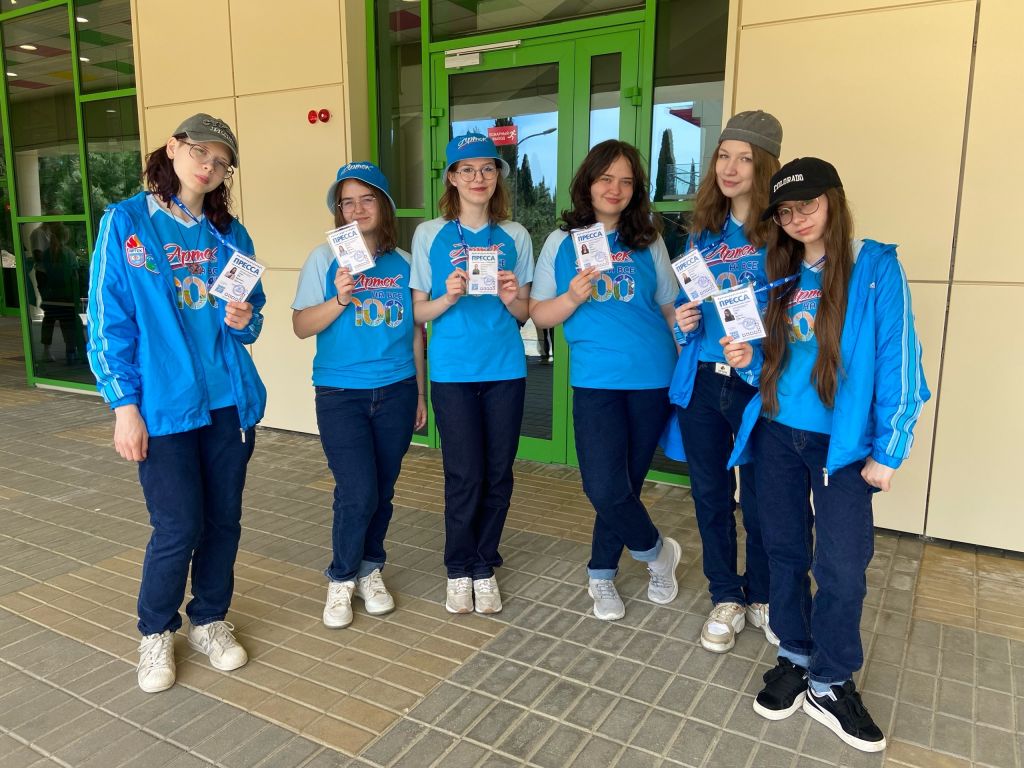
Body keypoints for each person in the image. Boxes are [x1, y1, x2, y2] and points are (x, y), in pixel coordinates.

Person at [725, 157, 929, 752]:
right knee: (784, 551)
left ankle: (831, 679)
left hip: (841, 447)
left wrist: (890, 449)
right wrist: (748, 361)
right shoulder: (778, 272)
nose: (798, 219)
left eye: (808, 205)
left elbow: (899, 359)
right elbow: (775, 360)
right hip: (776, 434)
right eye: (786, 212)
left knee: (841, 565)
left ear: (834, 201)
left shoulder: (873, 268)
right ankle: (795, 653)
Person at [86, 114, 266, 693]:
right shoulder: (128, 223)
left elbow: (250, 320)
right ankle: (156, 631)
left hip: (228, 403)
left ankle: (209, 619)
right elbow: (109, 324)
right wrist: (124, 406)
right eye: (200, 153)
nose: (208, 167)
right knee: (177, 526)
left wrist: (244, 318)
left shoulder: (229, 235)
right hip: (164, 408)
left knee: (223, 522)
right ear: (173, 148)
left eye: (221, 162)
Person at [530, 139, 681, 621]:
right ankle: (658, 553)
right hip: (596, 379)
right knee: (602, 486)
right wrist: (573, 297)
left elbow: (669, 308)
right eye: (606, 178)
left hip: (652, 376)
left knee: (627, 484)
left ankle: (601, 573)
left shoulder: (648, 240)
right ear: (588, 183)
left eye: (626, 181)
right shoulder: (561, 243)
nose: (615, 189)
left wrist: (686, 367)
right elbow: (540, 314)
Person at [292, 162, 426, 629]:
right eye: (346, 202)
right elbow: (300, 326)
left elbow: (415, 334)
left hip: (397, 389)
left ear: (384, 206)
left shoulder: (404, 263)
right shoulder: (323, 259)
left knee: (382, 490)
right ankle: (342, 576)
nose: (356, 209)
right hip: (340, 393)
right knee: (357, 491)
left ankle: (371, 569)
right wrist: (339, 299)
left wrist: (420, 394)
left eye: (367, 199)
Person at [669, 110, 783, 652]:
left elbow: (797, 315)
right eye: (723, 156)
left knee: (761, 497)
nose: (730, 168)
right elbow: (688, 310)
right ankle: (725, 595)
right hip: (703, 383)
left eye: (744, 158)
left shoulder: (782, 233)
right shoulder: (703, 235)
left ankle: (762, 595)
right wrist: (682, 321)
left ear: (765, 167)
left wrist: (758, 353)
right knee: (711, 494)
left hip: (756, 386)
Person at [410, 133, 533, 615]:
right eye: (467, 169)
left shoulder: (515, 235)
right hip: (453, 371)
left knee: (499, 473)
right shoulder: (430, 234)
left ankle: (485, 565)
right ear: (452, 178)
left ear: (498, 176)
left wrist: (511, 297)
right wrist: (448, 296)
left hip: (505, 369)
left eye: (487, 168)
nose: (478, 178)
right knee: (464, 474)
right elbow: (419, 312)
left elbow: (524, 313)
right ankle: (458, 568)